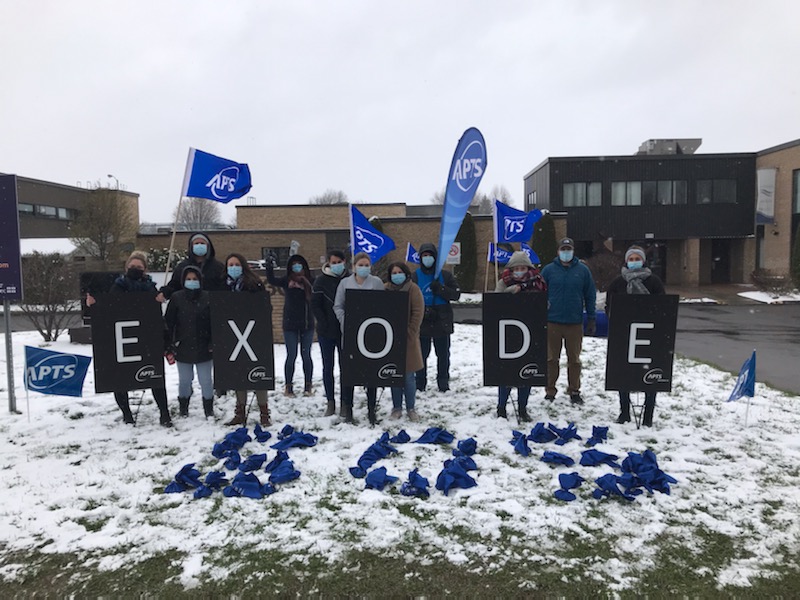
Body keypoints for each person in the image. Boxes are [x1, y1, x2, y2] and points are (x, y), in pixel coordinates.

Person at [86, 251, 173, 427]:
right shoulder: (116, 287)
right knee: (120, 378)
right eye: (132, 266)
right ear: (126, 268)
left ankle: (164, 413)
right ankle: (127, 414)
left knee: (154, 375)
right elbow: (107, 310)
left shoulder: (151, 289)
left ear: (145, 270)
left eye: (139, 267)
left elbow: (157, 316)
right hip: (122, 338)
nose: (135, 269)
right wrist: (94, 304)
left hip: (146, 338)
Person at [606, 245, 666, 427]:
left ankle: (648, 416)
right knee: (623, 373)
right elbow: (610, 306)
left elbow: (662, 306)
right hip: (624, 334)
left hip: (649, 334)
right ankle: (624, 412)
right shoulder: (618, 283)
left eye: (637, 259)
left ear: (643, 261)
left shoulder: (654, 282)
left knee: (650, 375)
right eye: (631, 259)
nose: (634, 262)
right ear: (626, 261)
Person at [541, 237, 597, 405]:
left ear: (573, 251)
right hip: (552, 321)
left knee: (574, 360)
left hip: (574, 322)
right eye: (563, 249)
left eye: (568, 249)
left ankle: (574, 390)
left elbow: (590, 295)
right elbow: (540, 292)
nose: (566, 252)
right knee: (551, 359)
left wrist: (591, 317)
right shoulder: (549, 270)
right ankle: (550, 390)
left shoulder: (583, 271)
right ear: (558, 251)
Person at [494, 251, 548, 422]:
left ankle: (523, 408)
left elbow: (545, 303)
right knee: (506, 372)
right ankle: (501, 407)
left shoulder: (538, 282)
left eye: (522, 268)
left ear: (528, 268)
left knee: (527, 372)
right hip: (508, 333)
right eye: (516, 268)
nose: (519, 271)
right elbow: (495, 302)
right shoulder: (503, 282)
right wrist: (512, 291)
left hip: (531, 332)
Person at [333, 252, 385, 424]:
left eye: (366, 265)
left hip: (371, 334)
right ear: (354, 266)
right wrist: (345, 321)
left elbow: (383, 305)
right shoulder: (344, 283)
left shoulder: (376, 283)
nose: (363, 268)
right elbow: (338, 306)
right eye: (360, 265)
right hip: (350, 335)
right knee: (349, 373)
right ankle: (348, 410)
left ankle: (371, 410)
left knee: (371, 373)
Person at [222, 252, 273, 427]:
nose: (233, 268)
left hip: (254, 333)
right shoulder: (223, 286)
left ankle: (264, 412)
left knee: (258, 373)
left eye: (236, 264)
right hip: (232, 334)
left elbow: (265, 306)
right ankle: (240, 412)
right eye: (230, 265)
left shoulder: (254, 283)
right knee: (238, 373)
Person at [164, 265, 214, 419]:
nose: (192, 281)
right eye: (188, 279)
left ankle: (209, 410)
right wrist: (169, 344)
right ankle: (183, 408)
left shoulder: (208, 297)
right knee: (185, 380)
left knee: (206, 380)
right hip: (183, 346)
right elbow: (169, 322)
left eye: (194, 279)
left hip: (204, 347)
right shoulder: (176, 298)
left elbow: (214, 323)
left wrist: (212, 343)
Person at [411, 243, 461, 393]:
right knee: (421, 354)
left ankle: (443, 382)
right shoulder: (415, 276)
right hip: (423, 319)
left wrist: (441, 289)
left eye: (430, 255)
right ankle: (420, 383)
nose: (427, 258)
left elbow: (456, 294)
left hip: (442, 319)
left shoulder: (445, 275)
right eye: (424, 256)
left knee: (443, 354)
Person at [266, 254, 315, 397]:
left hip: (307, 322)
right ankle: (288, 386)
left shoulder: (310, 281)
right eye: (294, 265)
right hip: (290, 324)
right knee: (291, 355)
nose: (297, 267)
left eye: (299, 264)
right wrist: (269, 266)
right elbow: (271, 280)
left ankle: (308, 385)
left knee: (306, 355)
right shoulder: (287, 280)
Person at [311, 249, 349, 417]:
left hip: (345, 331)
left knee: (346, 368)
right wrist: (323, 321)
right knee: (328, 367)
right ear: (328, 263)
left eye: (339, 262)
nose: (336, 265)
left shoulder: (350, 279)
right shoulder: (320, 281)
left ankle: (345, 402)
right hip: (326, 331)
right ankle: (330, 402)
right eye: (333, 262)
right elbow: (315, 304)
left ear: (344, 262)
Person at [385, 262, 424, 422]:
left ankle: (410, 408)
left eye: (399, 272)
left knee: (408, 376)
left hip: (408, 339)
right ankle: (396, 408)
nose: (397, 275)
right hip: (390, 339)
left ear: (406, 273)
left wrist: (410, 331)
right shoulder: (385, 289)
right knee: (394, 374)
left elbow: (418, 312)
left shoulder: (413, 289)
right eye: (394, 273)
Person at [157, 232, 226, 301]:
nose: (199, 245)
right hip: (187, 305)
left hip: (211, 304)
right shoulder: (182, 266)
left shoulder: (218, 267)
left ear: (208, 246)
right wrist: (165, 293)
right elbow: (174, 285)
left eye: (202, 243)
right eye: (196, 243)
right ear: (191, 246)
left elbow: (224, 287)